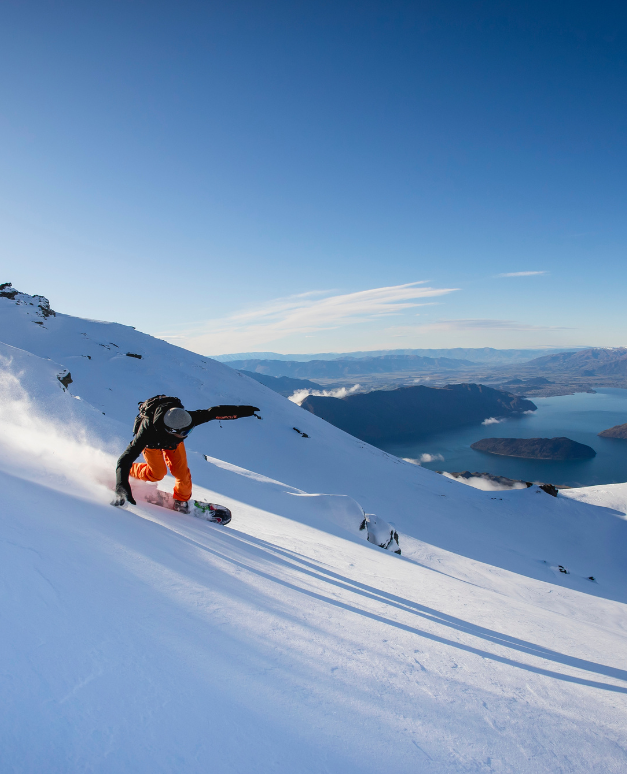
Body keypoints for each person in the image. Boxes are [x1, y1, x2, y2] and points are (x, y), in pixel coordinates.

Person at [113, 395, 259, 512]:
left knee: (182, 473)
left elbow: (214, 412)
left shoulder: (187, 419)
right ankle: (132, 472)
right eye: (185, 432)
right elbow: (125, 459)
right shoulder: (147, 432)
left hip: (172, 444)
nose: (187, 434)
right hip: (152, 444)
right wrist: (121, 484)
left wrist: (243, 411)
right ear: (172, 430)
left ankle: (181, 501)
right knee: (156, 474)